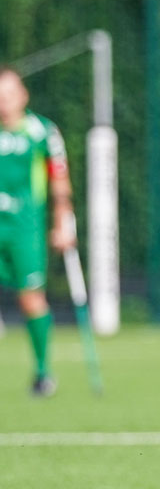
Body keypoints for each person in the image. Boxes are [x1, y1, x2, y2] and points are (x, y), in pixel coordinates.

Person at [0, 66, 76, 397]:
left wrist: (63, 220)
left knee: (31, 298)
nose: (4, 103)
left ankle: (43, 373)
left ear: (23, 96)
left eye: (9, 95)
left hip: (24, 228)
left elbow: (58, 178)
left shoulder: (41, 131)